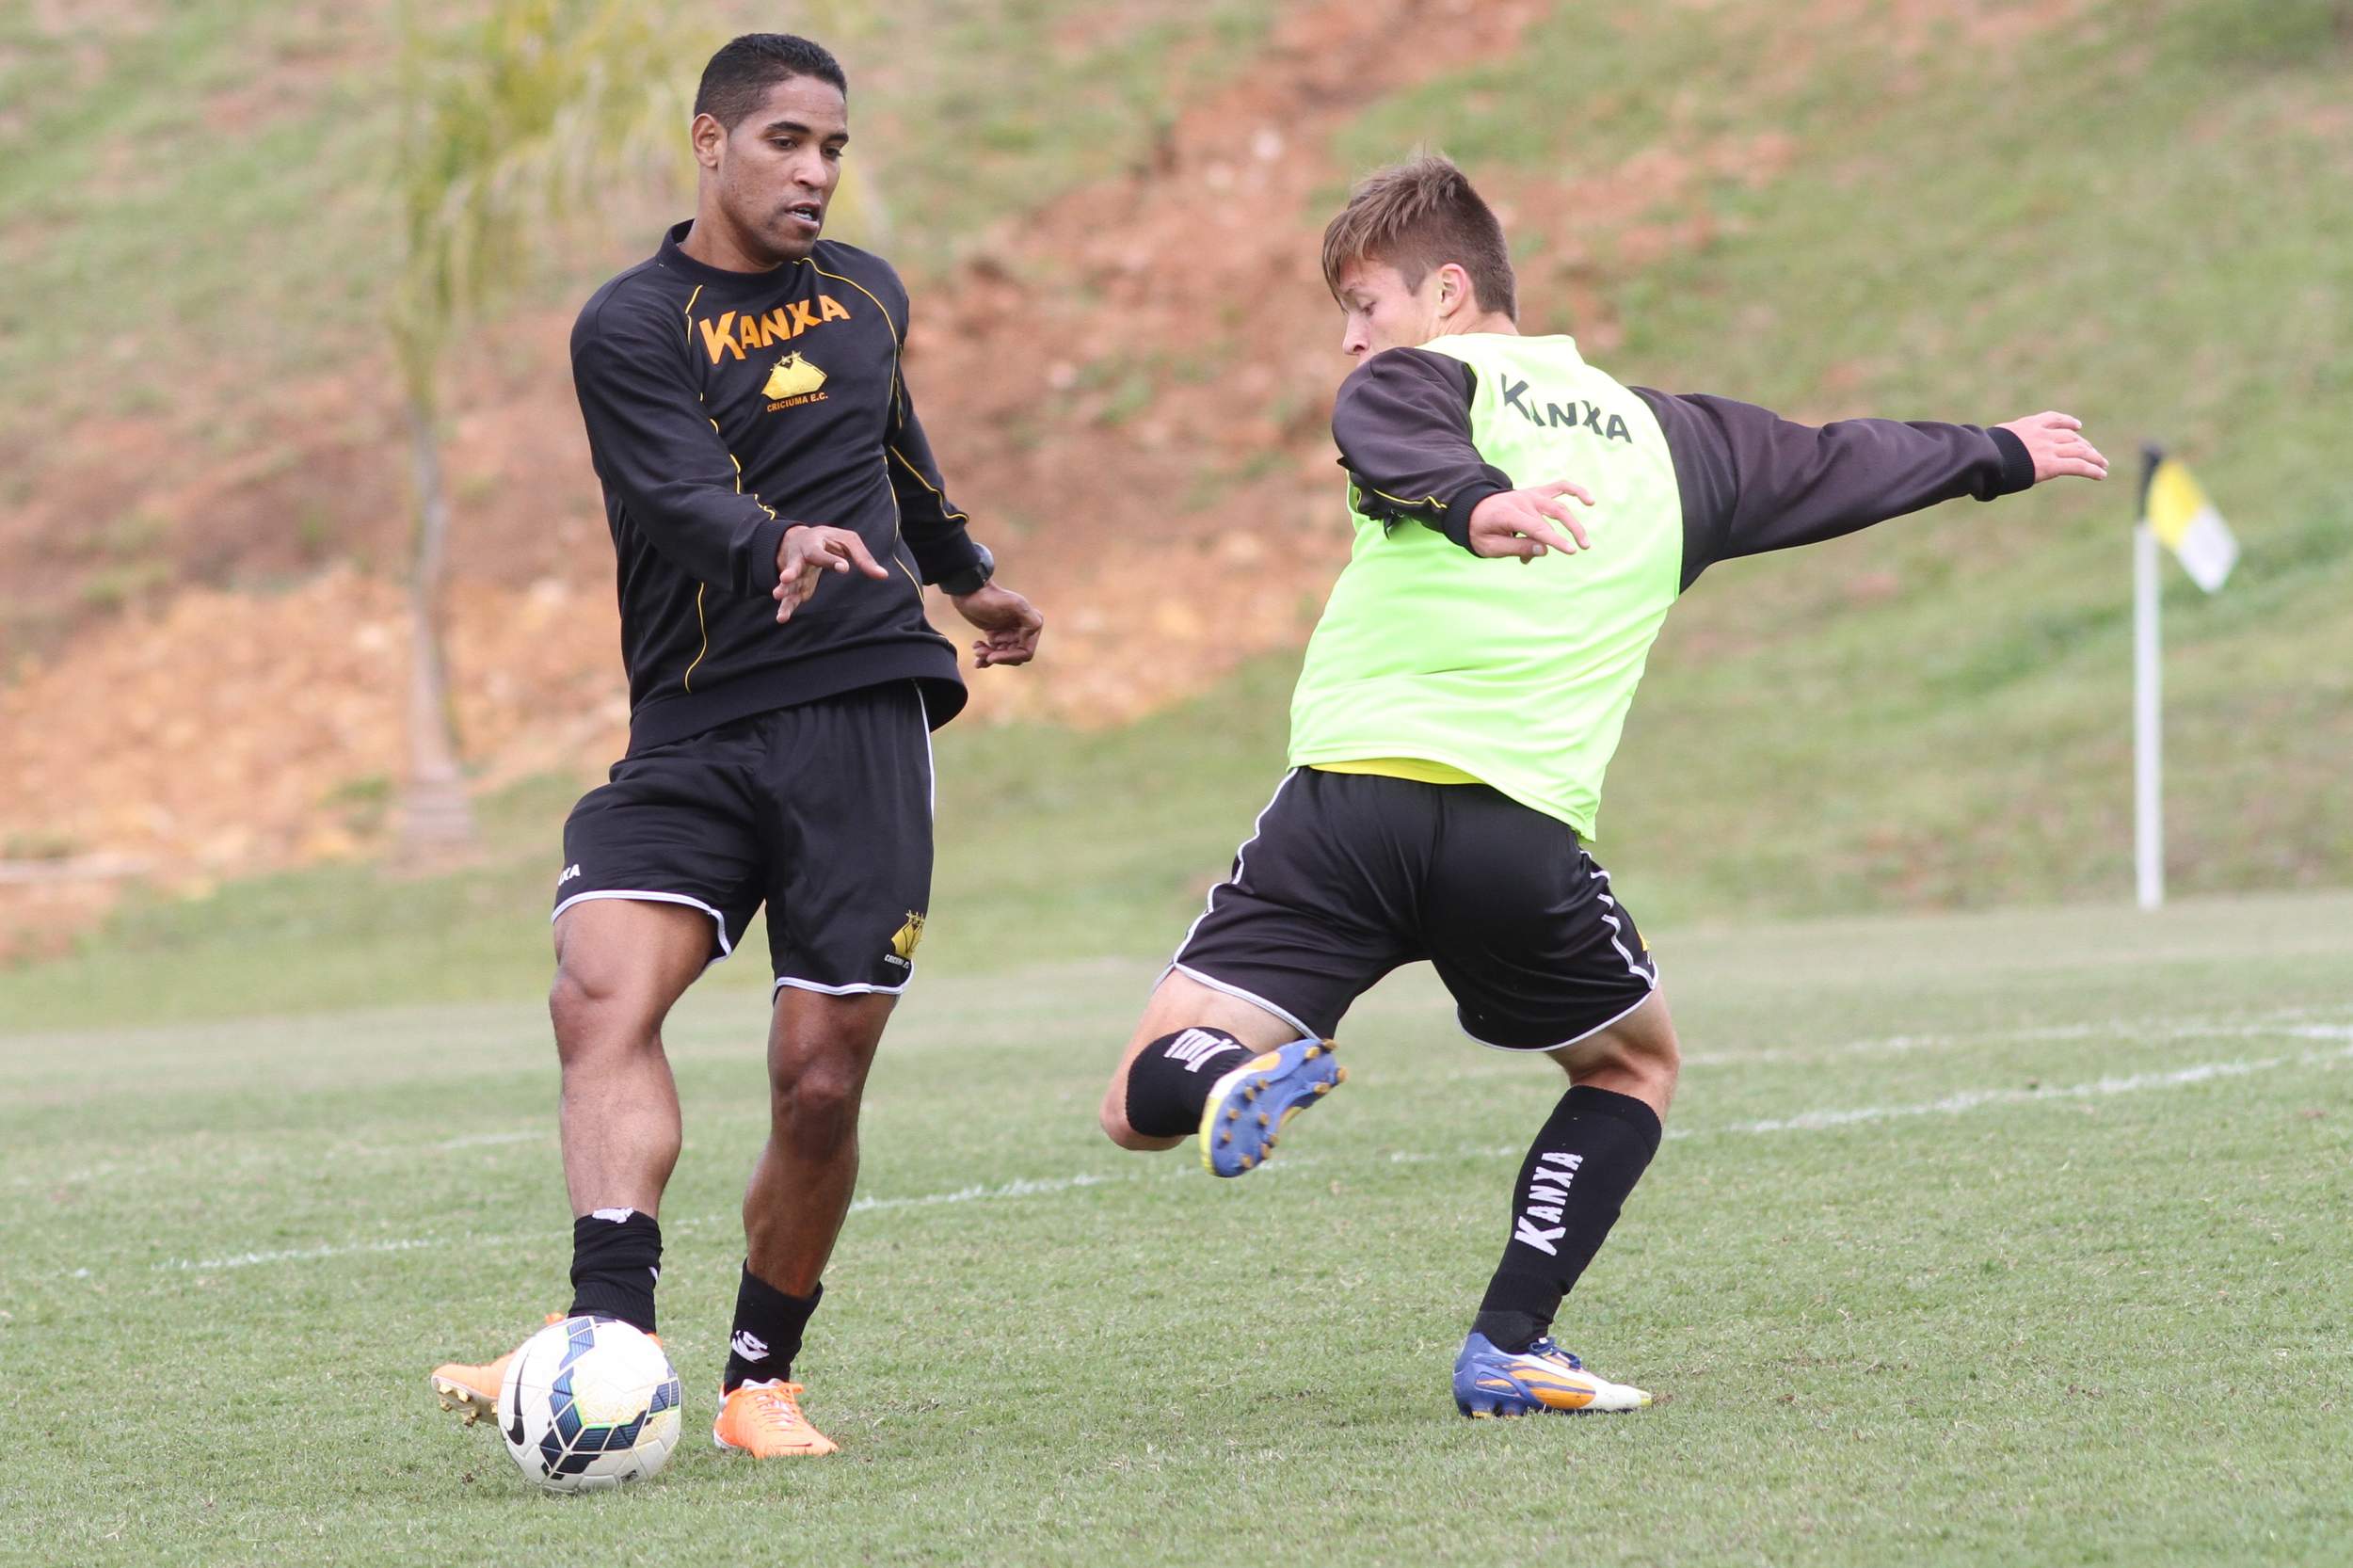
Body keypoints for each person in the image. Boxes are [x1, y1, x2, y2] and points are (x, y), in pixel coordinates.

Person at [1096, 153, 2105, 1416]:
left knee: (1136, 1101)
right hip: (1518, 835)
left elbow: (1384, 427)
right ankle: (1510, 1340)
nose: (1354, 342)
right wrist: (1995, 452)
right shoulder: (1673, 438)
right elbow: (1837, 459)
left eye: (1366, 305)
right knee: (1632, 1068)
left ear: (1449, 291)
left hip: (1345, 812)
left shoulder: (1422, 385)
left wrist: (1469, 502)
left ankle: (1225, 1072)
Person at [430, 33, 1043, 1458]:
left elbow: (898, 452)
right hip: (696, 723)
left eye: (833, 146)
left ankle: (759, 1379)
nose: (816, 171)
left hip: (863, 712)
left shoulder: (869, 294)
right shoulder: (631, 323)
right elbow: (668, 489)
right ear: (710, 144)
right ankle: (607, 1338)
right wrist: (772, 538)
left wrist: (966, 573)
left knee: (820, 1072)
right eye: (786, 142)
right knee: (597, 992)